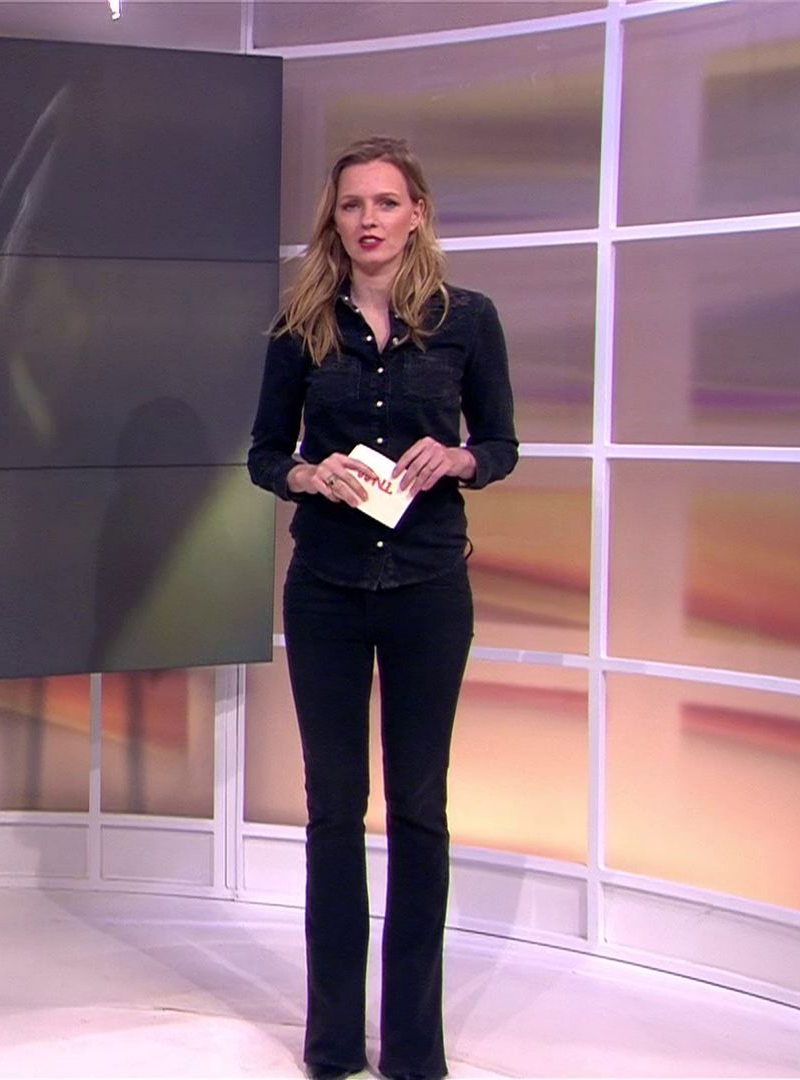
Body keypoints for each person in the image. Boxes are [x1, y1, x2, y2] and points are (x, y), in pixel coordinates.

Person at [247, 135, 519, 1080]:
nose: (369, 219)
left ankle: (412, 1049)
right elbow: (263, 453)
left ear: (417, 215)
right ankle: (332, 1044)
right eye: (353, 203)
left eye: (387, 202)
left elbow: (502, 443)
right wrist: (305, 473)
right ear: (335, 218)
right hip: (325, 589)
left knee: (418, 808)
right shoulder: (300, 328)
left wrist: (461, 458)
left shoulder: (467, 320)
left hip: (428, 589)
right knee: (334, 809)